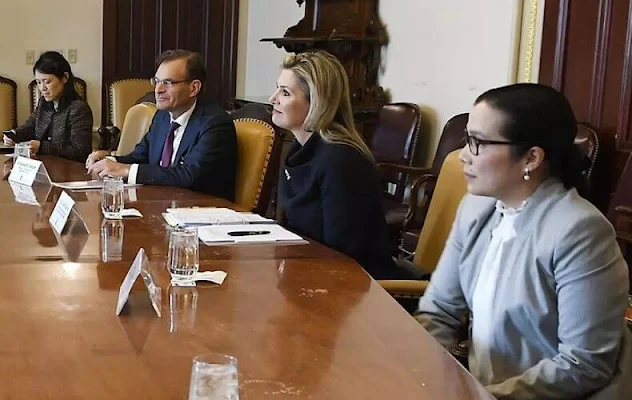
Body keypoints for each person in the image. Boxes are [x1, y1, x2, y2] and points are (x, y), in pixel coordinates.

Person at [415, 83, 632, 399]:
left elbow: (584, 364)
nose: (463, 155)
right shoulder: (476, 207)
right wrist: (423, 375)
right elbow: (439, 309)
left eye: (478, 142)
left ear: (532, 157)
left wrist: (481, 396)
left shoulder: (581, 231)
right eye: (467, 138)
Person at [270, 50, 398, 280]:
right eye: (277, 88)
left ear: (317, 102)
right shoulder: (298, 150)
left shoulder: (341, 160)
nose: (273, 98)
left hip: (352, 291)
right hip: (308, 275)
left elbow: (343, 255)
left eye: (285, 93)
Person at [86, 50, 237, 201]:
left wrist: (126, 170)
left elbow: (190, 176)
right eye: (156, 81)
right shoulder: (162, 117)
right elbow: (139, 157)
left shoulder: (215, 123)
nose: (158, 90)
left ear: (194, 88)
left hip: (202, 211)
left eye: (168, 83)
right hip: (162, 204)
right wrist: (110, 160)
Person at [3, 51, 93, 162]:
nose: (42, 88)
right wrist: (13, 134)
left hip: (68, 170)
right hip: (44, 166)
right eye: (38, 82)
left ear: (65, 78)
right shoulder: (44, 103)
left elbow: (80, 151)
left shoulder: (79, 109)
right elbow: (29, 127)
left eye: (47, 82)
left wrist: (41, 147)